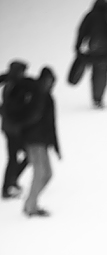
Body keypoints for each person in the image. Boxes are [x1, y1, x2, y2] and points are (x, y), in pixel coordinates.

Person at [20, 67, 61, 217]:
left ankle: (30, 203)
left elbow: (50, 123)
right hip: (34, 141)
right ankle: (31, 207)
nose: (50, 83)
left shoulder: (45, 95)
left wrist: (55, 145)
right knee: (40, 173)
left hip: (42, 141)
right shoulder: (36, 95)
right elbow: (30, 118)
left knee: (47, 174)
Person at [0, 60, 29, 199]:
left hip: (10, 127)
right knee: (17, 156)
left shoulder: (10, 84)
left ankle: (11, 182)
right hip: (14, 129)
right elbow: (15, 109)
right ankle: (7, 187)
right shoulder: (14, 87)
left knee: (17, 156)